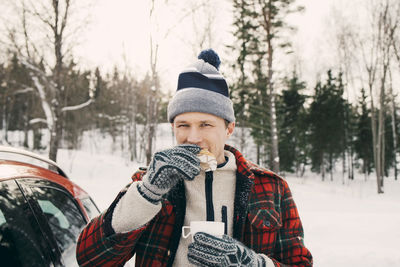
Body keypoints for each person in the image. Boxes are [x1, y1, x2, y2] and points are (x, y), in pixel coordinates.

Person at [76, 49, 313, 267]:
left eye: (205, 125)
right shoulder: (149, 180)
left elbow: (299, 263)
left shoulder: (271, 187)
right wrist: (148, 192)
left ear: (229, 128)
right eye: (183, 125)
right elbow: (90, 259)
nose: (193, 137)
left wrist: (253, 264)